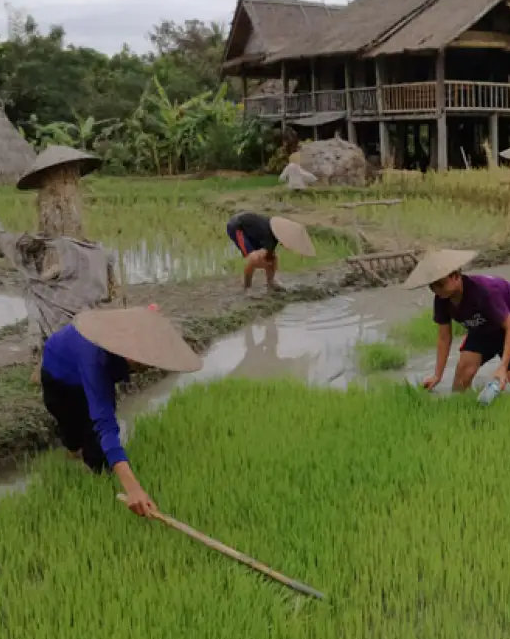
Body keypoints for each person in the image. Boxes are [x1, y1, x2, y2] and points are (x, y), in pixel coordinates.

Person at [39, 305, 202, 517]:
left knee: (97, 452)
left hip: (88, 366)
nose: (149, 365)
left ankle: (97, 475)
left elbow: (148, 316)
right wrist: (133, 489)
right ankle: (75, 455)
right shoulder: (94, 356)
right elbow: (104, 422)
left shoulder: (125, 334)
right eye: (143, 360)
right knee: (72, 428)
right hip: (59, 377)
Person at [403, 249, 510, 394]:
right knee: (463, 372)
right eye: (432, 287)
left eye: (440, 285)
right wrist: (437, 375)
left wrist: (502, 367)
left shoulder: (483, 292)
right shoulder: (442, 300)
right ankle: (462, 409)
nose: (436, 291)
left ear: (455, 276)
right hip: (481, 326)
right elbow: (444, 337)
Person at [225, 212, 316, 291]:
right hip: (236, 226)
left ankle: (271, 282)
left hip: (250, 229)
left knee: (272, 257)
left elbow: (270, 255)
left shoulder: (274, 234)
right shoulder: (269, 236)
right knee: (254, 258)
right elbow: (264, 254)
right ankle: (247, 286)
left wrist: (268, 258)